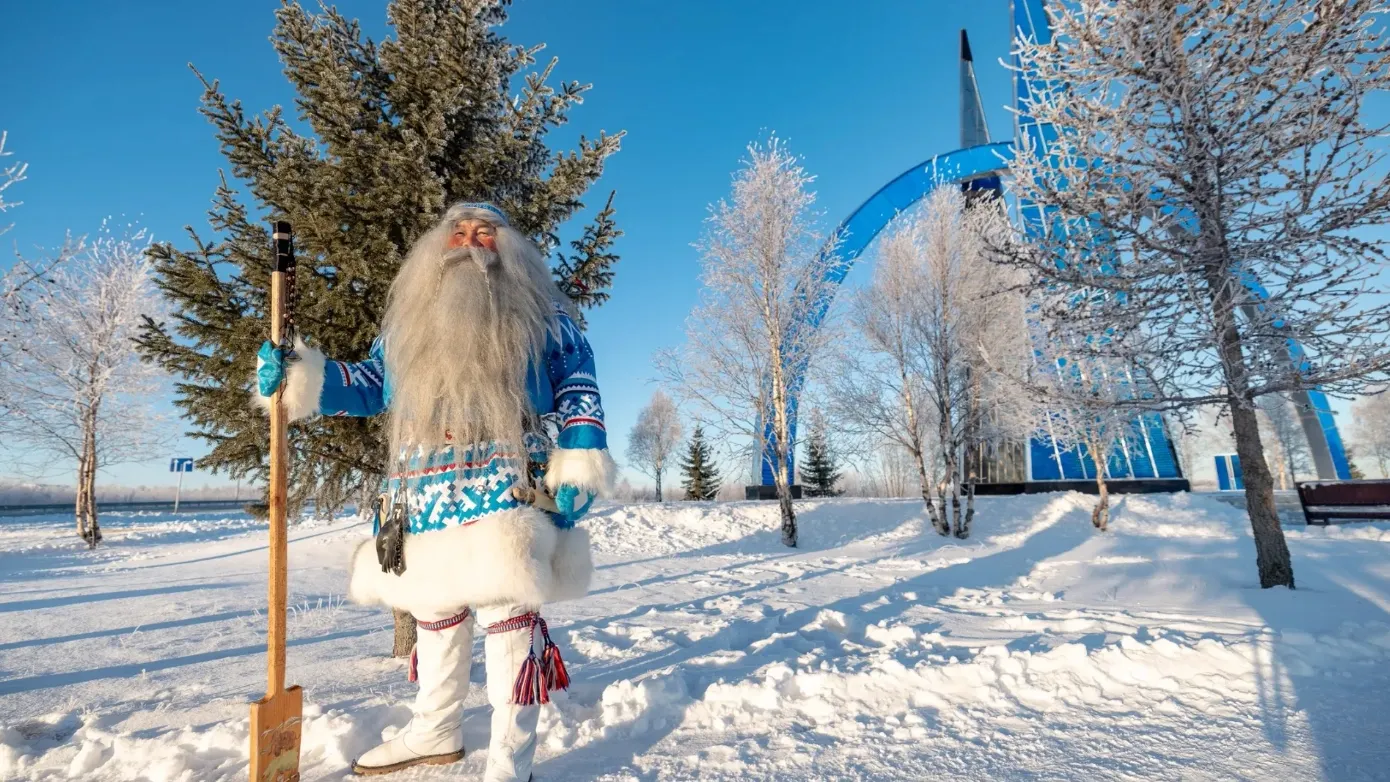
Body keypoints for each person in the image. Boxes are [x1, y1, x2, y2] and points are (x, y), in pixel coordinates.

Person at [255, 202, 612, 781]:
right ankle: (435, 731)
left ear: (508, 247)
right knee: (434, 611)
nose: (470, 241)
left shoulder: (544, 317)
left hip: (507, 483)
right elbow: (372, 384)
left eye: (485, 232)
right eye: (458, 232)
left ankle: (509, 762)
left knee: (506, 616)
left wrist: (579, 457)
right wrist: (301, 375)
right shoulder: (408, 325)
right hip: (420, 490)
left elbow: (578, 384)